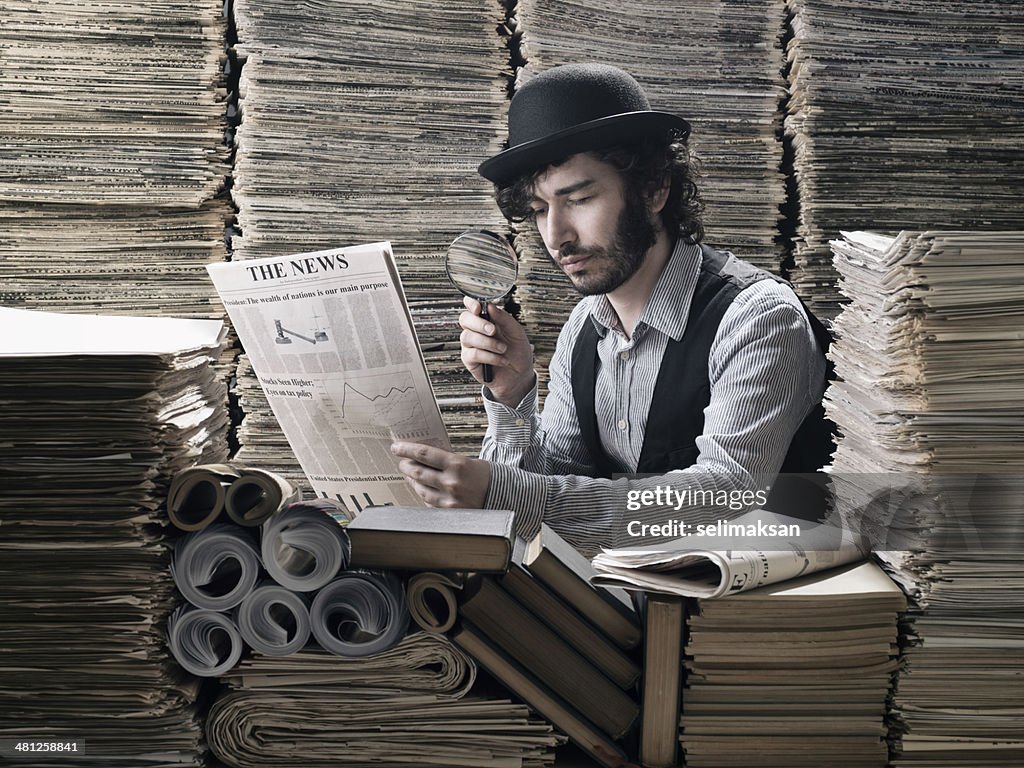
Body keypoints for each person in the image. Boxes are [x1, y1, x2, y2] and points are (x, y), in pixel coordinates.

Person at [391, 63, 832, 558]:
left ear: (653, 189)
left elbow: (725, 495)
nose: (556, 236)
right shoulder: (584, 326)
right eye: (539, 211)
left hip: (747, 610)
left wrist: (502, 493)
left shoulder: (757, 318)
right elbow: (556, 480)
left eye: (578, 199)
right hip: (626, 593)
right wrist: (512, 395)